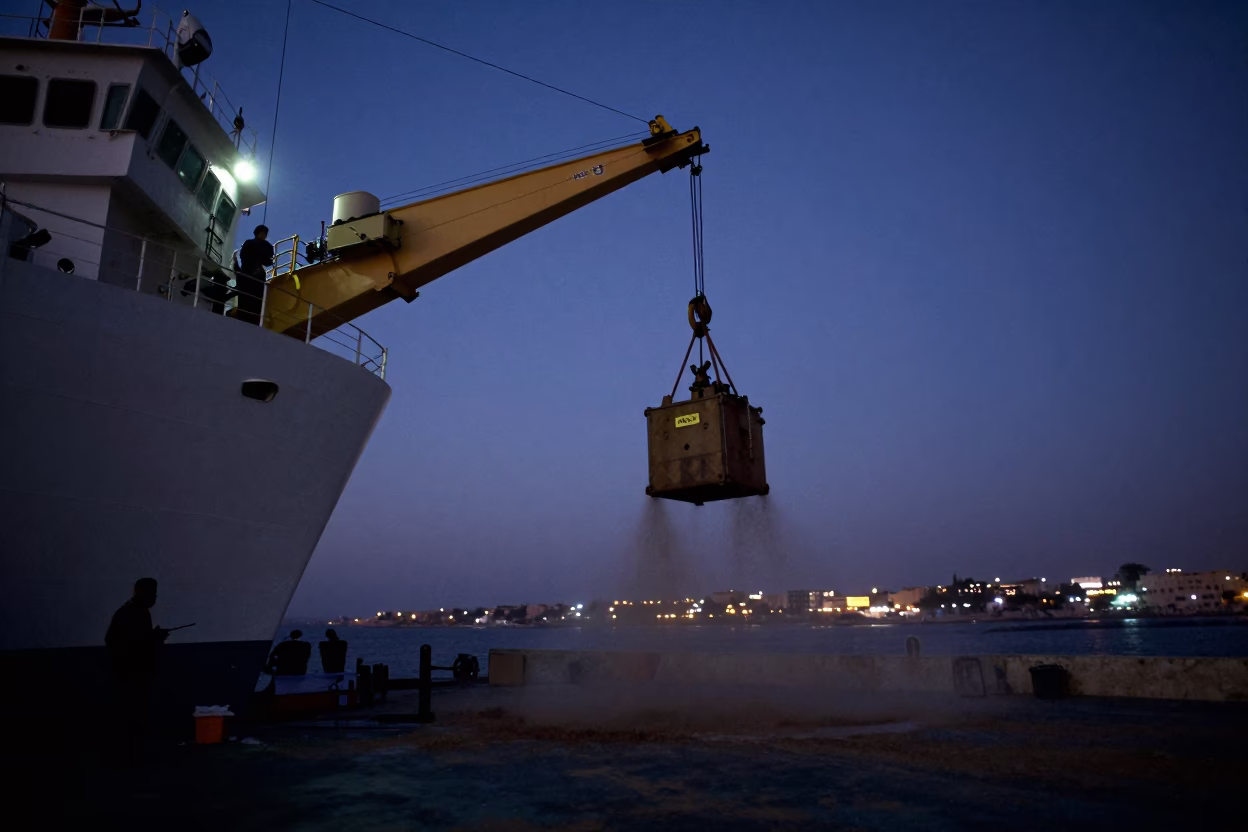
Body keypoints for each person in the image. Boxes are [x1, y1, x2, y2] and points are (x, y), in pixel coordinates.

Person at [105, 578, 170, 760]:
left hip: (131, 673)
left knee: (131, 716)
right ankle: (128, 756)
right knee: (131, 716)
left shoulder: (132, 612)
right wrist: (153, 638)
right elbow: (132, 642)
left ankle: (129, 754)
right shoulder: (132, 613)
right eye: (152, 593)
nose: (154, 598)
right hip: (131, 674)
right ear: (142, 592)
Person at [234, 224, 273, 325]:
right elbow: (245, 257)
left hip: (253, 276)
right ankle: (247, 317)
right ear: (258, 233)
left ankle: (251, 318)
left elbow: (268, 261)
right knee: (247, 299)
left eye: (265, 233)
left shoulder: (264, 245)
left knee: (255, 300)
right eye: (262, 233)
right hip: (249, 274)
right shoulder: (251, 243)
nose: (264, 235)